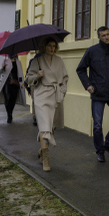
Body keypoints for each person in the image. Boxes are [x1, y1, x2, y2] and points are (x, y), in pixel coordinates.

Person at [76, 26, 109, 163]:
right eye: (103, 35)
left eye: (108, 34)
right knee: (97, 125)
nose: (106, 37)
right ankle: (100, 151)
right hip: (98, 93)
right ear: (99, 37)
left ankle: (108, 144)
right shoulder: (92, 51)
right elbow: (81, 69)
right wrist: (88, 85)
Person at [26, 38, 68, 172]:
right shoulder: (37, 60)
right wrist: (37, 76)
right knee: (44, 127)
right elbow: (28, 79)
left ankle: (42, 150)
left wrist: (62, 91)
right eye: (49, 45)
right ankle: (46, 159)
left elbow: (65, 78)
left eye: (54, 46)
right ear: (44, 46)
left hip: (56, 95)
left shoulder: (59, 60)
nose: (52, 48)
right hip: (41, 95)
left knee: (52, 127)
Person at [0, 54, 25, 123]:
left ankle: (10, 111)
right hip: (6, 83)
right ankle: (9, 114)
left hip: (15, 83)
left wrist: (22, 83)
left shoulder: (18, 62)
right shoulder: (5, 61)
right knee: (7, 99)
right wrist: (2, 67)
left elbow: (20, 73)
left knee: (13, 99)